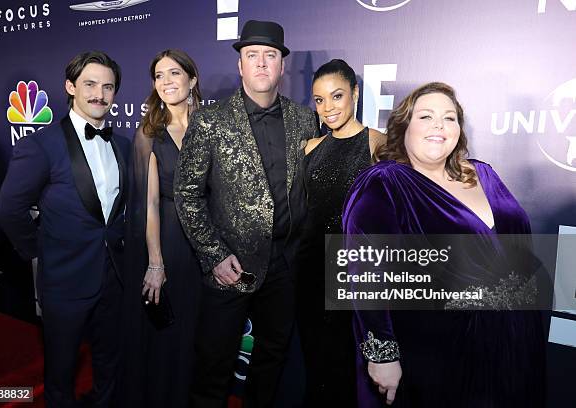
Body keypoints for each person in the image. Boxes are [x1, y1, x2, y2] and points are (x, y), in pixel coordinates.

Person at [342, 82, 546, 407]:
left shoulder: (484, 174)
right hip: (435, 351)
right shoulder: (385, 182)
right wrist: (382, 354)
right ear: (403, 127)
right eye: (426, 116)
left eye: (449, 118)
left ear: (458, 131)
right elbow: (365, 271)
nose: (439, 125)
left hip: (512, 340)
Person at [174, 19, 318, 408]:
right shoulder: (210, 120)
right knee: (213, 364)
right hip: (230, 266)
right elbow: (186, 193)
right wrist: (214, 255)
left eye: (269, 55)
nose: (260, 63)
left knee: (272, 360)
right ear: (240, 65)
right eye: (251, 55)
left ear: (281, 66)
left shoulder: (305, 119)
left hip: (285, 266)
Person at [0, 51, 129, 407]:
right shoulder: (41, 145)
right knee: (61, 373)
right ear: (70, 87)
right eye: (89, 84)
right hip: (64, 280)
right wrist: (40, 249)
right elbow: (9, 210)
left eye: (107, 86)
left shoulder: (123, 145)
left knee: (109, 364)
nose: (99, 94)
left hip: (114, 278)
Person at [296, 58, 384, 407]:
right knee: (316, 365)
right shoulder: (310, 148)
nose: (328, 108)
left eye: (336, 96)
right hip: (310, 270)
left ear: (355, 94)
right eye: (319, 100)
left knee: (349, 368)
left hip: (353, 272)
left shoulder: (378, 143)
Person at [119, 49, 202, 408]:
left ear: (192, 79)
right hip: (169, 239)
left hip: (207, 243)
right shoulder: (149, 133)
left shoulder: (212, 126)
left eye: (174, 73)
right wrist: (156, 262)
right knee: (168, 331)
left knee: (199, 332)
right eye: (159, 75)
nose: (166, 81)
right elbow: (149, 204)